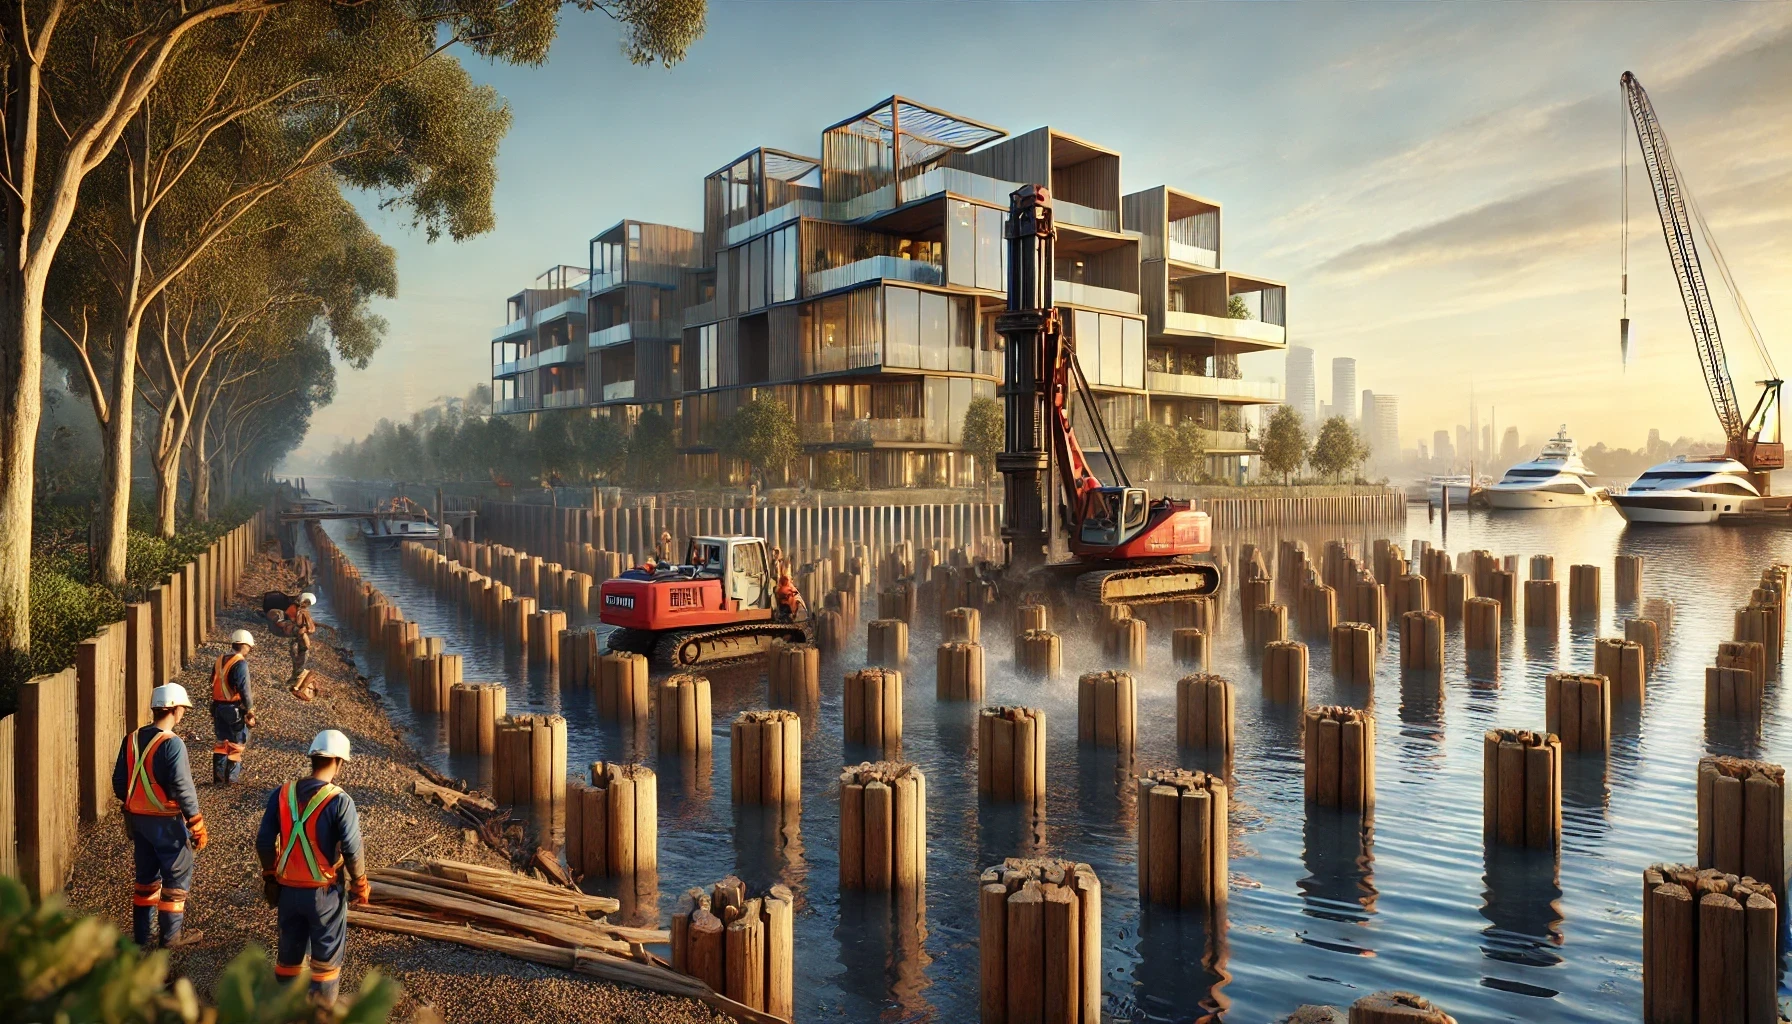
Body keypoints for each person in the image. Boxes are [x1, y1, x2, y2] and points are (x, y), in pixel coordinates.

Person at [257, 730, 368, 1007]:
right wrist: (360, 884)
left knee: (289, 959)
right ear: (339, 763)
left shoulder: (282, 794)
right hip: (324, 894)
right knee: (325, 962)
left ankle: (286, 1011)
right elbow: (352, 850)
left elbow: (263, 842)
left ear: (313, 759)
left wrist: (271, 876)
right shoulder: (340, 801)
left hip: (288, 891)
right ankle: (320, 1014)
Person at [113, 684, 207, 949]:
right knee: (176, 875)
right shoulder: (172, 744)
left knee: (146, 878)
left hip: (137, 820)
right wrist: (196, 822)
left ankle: (143, 936)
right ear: (176, 710)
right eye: (182, 710)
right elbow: (182, 786)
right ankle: (170, 938)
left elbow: (119, 781)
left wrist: (137, 803)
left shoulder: (131, 738)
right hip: (165, 822)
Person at [211, 629, 257, 784]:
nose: (249, 650)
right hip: (234, 709)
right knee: (236, 744)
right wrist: (249, 709)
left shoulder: (220, 659)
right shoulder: (240, 663)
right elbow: (244, 688)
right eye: (249, 647)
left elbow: (212, 680)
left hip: (217, 707)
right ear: (244, 645)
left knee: (221, 742)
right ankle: (230, 780)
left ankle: (218, 778)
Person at [285, 594, 318, 699]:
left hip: (299, 640)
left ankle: (295, 680)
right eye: (306, 603)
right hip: (297, 639)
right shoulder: (296, 610)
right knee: (299, 660)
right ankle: (295, 682)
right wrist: (303, 629)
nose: (306, 605)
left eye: (308, 604)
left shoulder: (300, 611)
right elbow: (308, 628)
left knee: (299, 659)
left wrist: (304, 629)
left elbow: (310, 628)